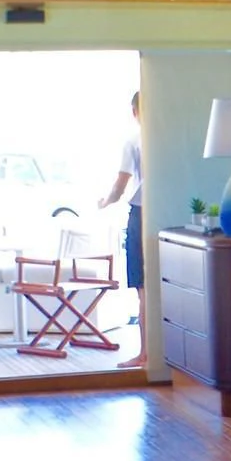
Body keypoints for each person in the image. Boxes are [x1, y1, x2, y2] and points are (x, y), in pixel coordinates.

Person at [99, 90, 146, 369]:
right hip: (166, 215)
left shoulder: (133, 140)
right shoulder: (169, 137)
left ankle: (145, 355)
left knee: (143, 289)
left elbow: (120, 185)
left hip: (141, 214)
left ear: (135, 111)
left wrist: (104, 202)